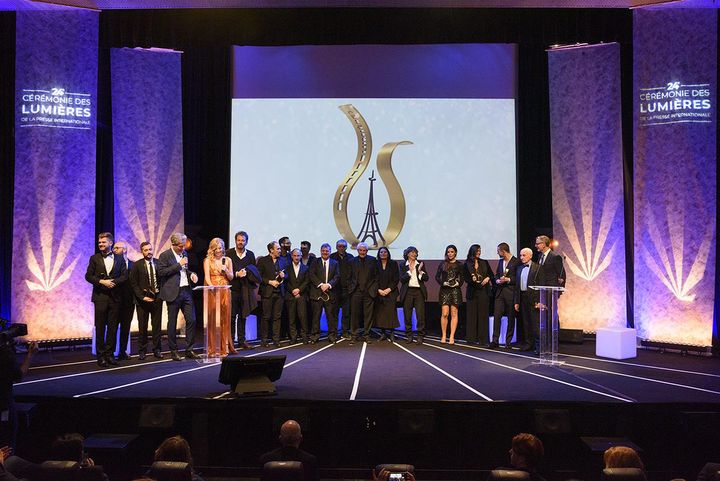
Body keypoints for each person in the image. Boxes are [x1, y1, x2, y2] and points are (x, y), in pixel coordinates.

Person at [85, 232, 128, 367]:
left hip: (115, 298)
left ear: (110, 243)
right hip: (100, 297)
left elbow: (124, 276)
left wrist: (112, 282)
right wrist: (102, 282)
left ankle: (110, 355)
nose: (100, 244)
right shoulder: (94, 258)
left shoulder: (119, 259)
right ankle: (101, 356)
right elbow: (88, 276)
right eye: (99, 242)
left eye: (103, 242)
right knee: (100, 328)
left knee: (113, 328)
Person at [158, 232, 200, 361]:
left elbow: (185, 270)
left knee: (192, 320)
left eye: (184, 246)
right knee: (172, 323)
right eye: (180, 246)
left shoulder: (184, 254)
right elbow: (161, 272)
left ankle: (189, 349)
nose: (183, 248)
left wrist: (192, 273)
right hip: (172, 293)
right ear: (173, 244)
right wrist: (179, 264)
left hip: (186, 291)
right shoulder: (165, 256)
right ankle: (174, 350)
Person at [129, 241, 163, 360]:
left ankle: (157, 349)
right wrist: (142, 297)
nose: (149, 252)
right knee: (142, 327)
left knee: (157, 326)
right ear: (142, 251)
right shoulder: (136, 265)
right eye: (146, 250)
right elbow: (133, 284)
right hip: (142, 301)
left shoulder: (159, 263)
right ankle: (142, 350)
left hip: (157, 299)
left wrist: (161, 295)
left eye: (150, 249)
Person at [203, 238, 235, 357]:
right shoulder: (207, 260)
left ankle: (224, 347)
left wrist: (226, 269)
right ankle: (213, 348)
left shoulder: (227, 260)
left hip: (225, 290)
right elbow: (207, 276)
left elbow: (231, 277)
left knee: (224, 319)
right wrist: (212, 286)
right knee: (213, 318)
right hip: (212, 290)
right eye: (215, 248)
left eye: (220, 248)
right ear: (212, 249)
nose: (218, 251)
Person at [226, 231, 257, 350]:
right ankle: (231, 342)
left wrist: (247, 273)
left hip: (245, 289)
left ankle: (242, 340)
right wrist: (236, 274)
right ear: (235, 241)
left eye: (243, 240)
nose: (240, 242)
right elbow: (225, 272)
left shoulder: (250, 254)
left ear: (246, 242)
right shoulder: (229, 253)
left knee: (243, 316)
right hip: (233, 289)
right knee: (232, 317)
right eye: (239, 240)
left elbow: (254, 270)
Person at [308, 243, 340, 343]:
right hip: (317, 293)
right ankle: (315, 336)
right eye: (323, 250)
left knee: (331, 316)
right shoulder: (314, 262)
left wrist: (329, 285)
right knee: (316, 316)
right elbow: (311, 274)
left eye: (327, 251)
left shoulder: (335, 263)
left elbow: (337, 276)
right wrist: (321, 284)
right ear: (320, 251)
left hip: (330, 293)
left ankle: (332, 336)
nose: (325, 252)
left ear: (330, 252)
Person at [463, 244, 493, 346]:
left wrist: (487, 279)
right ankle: (471, 339)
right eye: (477, 251)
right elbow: (465, 278)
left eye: (480, 250)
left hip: (484, 291)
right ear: (472, 251)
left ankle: (483, 340)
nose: (479, 252)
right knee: (472, 316)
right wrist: (473, 281)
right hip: (472, 291)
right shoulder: (467, 263)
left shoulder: (484, 262)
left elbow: (491, 275)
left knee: (483, 316)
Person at [348, 242, 377, 345]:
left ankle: (367, 335)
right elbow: (349, 276)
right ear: (357, 251)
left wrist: (373, 289)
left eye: (364, 250)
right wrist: (350, 288)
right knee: (355, 316)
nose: (362, 252)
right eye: (360, 250)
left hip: (368, 292)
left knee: (368, 316)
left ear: (367, 251)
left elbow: (376, 277)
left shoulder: (373, 261)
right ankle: (354, 336)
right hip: (356, 292)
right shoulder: (352, 261)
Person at [491, 243, 519, 349]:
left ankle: (508, 341)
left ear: (503, 251)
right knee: (497, 316)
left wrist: (508, 279)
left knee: (510, 318)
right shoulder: (500, 261)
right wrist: (497, 280)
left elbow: (518, 278)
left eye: (498, 251)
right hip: (499, 293)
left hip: (510, 293)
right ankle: (495, 340)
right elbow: (497, 275)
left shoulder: (516, 261)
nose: (497, 253)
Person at [258, 241, 286, 347]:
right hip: (267, 292)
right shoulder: (263, 261)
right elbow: (258, 276)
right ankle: (264, 339)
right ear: (271, 250)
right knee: (266, 316)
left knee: (277, 317)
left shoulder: (283, 261)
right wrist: (270, 282)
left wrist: (284, 275)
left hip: (280, 293)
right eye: (278, 249)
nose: (280, 251)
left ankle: (276, 339)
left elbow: (287, 274)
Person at [399, 246, 429, 344]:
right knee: (407, 315)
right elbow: (402, 279)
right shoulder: (403, 265)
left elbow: (426, 278)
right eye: (412, 252)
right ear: (407, 254)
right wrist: (410, 271)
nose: (414, 254)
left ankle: (420, 335)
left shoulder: (420, 264)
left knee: (420, 315)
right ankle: (409, 335)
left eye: (415, 252)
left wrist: (420, 271)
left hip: (419, 292)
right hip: (408, 292)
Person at [513, 248, 540, 352]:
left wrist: (539, 301)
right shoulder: (519, 268)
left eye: (524, 255)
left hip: (533, 298)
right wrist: (516, 301)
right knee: (526, 322)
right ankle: (529, 344)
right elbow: (517, 286)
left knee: (535, 323)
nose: (521, 257)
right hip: (523, 297)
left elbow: (540, 284)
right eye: (520, 255)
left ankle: (538, 346)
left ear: (530, 256)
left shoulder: (537, 268)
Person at [435, 244, 463, 344]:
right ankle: (443, 335)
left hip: (455, 290)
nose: (450, 254)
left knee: (454, 313)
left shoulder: (460, 264)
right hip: (445, 290)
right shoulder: (442, 264)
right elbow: (437, 277)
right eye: (448, 252)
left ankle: (451, 336)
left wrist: (458, 283)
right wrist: (443, 282)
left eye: (452, 252)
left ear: (455, 252)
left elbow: (462, 278)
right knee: (445, 313)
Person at [112, 241, 135, 361]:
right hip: (114, 301)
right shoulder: (111, 264)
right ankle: (110, 352)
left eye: (116, 248)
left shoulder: (133, 265)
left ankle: (122, 351)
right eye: (113, 248)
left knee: (125, 328)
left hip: (128, 302)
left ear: (124, 250)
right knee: (113, 327)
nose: (114, 250)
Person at [284, 248, 309, 343]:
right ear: (291, 256)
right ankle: (293, 337)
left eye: (298, 255)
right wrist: (293, 291)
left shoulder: (306, 268)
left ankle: (304, 337)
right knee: (291, 318)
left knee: (303, 317)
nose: (296, 257)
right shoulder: (287, 268)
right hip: (290, 296)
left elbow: (307, 281)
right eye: (294, 255)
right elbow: (286, 282)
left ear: (301, 256)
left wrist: (299, 290)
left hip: (301, 296)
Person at [330, 239, 354, 339]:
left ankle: (345, 331)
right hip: (334, 289)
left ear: (346, 247)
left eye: (343, 246)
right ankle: (334, 332)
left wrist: (351, 287)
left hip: (346, 289)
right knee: (334, 312)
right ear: (336, 247)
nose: (341, 248)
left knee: (346, 313)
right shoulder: (331, 257)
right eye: (339, 246)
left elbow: (354, 273)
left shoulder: (351, 258)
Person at [375, 247, 399, 342]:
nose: (383, 253)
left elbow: (396, 278)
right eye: (381, 252)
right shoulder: (375, 264)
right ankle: (383, 333)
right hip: (379, 292)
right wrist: (379, 290)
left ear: (388, 253)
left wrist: (389, 289)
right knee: (381, 314)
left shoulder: (393, 264)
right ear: (379, 253)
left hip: (391, 293)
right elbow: (373, 278)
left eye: (385, 252)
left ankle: (392, 333)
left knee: (391, 313)